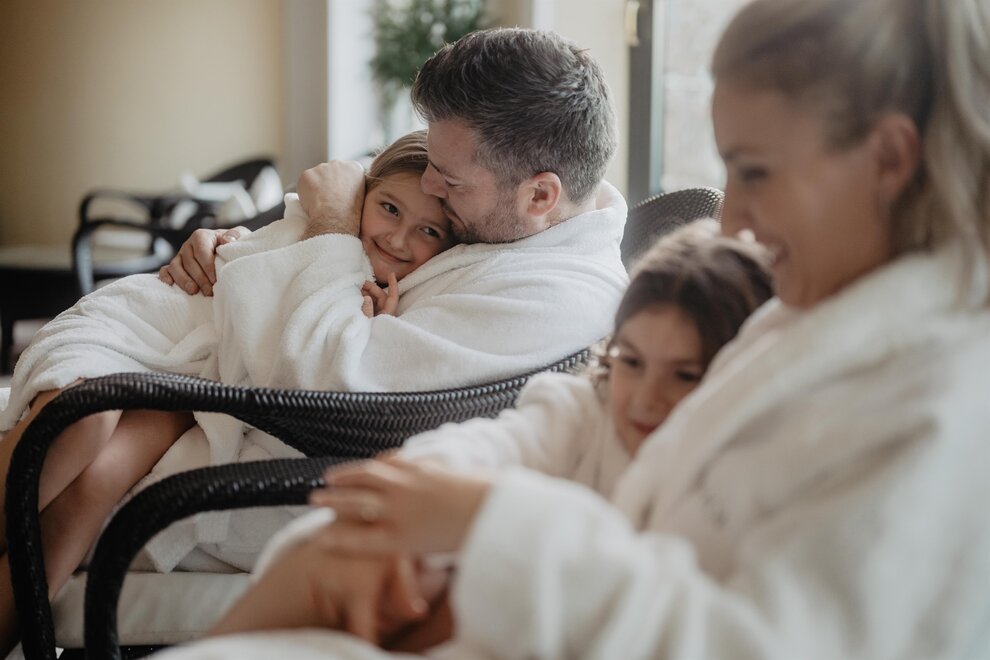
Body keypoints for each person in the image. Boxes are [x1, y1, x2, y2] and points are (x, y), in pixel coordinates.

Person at [155, 0, 990, 658]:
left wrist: (490, 526)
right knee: (330, 554)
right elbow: (586, 416)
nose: (732, 214)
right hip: (555, 588)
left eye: (756, 171)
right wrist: (434, 487)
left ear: (889, 159)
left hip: (572, 610)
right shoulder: (805, 314)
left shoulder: (937, 412)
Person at [1, 27, 627, 655]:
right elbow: (319, 246)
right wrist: (234, 245)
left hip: (275, 443)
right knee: (78, 441)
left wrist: (329, 225)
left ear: (541, 194)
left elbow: (329, 382)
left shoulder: (546, 297)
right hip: (206, 378)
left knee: (82, 452)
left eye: (450, 179)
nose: (431, 188)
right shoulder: (513, 229)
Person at [201, 218, 775, 649]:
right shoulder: (587, 412)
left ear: (731, 378)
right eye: (633, 362)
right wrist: (410, 498)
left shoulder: (740, 482)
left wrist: (483, 520)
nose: (646, 396)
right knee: (348, 543)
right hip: (500, 589)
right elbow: (491, 444)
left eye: (684, 375)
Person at [0, 129, 455, 656]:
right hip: (148, 329)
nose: (398, 239)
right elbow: (254, 262)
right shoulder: (327, 233)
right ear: (364, 196)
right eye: (390, 209)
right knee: (83, 421)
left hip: (197, 385)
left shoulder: (388, 300)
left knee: (96, 484)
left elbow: (314, 361)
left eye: (428, 231)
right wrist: (227, 241)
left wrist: (370, 317)